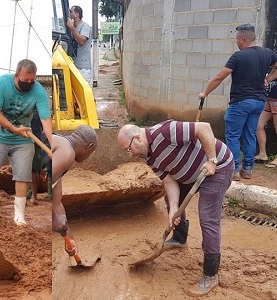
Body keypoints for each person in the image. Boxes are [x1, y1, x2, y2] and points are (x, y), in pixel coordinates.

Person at [117, 120, 234, 296]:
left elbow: (204, 127)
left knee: (208, 218)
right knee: (171, 198)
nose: (130, 154)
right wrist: (173, 209)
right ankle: (180, 238)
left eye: (128, 149)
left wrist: (212, 160)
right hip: (192, 175)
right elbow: (169, 181)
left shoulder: (165, 132)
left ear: (137, 138)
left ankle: (211, 275)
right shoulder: (149, 157)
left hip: (218, 168)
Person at [0, 59, 52, 226]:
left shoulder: (38, 91)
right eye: (26, 80)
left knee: (23, 176)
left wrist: (52, 144)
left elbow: (45, 119)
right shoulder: (2, 82)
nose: (30, 84)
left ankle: (19, 215)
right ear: (17, 75)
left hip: (23, 138)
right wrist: (13, 128)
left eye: (33, 80)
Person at [198, 24, 277, 180]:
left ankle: (233, 170)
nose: (236, 42)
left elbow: (220, 77)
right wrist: (266, 79)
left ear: (242, 39)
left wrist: (205, 93)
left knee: (233, 136)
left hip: (241, 102)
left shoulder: (238, 56)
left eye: (236, 39)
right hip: (259, 102)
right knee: (249, 134)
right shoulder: (267, 53)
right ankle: (247, 170)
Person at [52, 125, 98, 257]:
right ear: (89, 147)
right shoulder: (67, 154)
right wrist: (55, 218)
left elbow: (56, 203)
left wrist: (69, 239)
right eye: (91, 152)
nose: (88, 156)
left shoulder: (60, 144)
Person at [27, 111, 51, 204]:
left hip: (27, 140)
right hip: (37, 141)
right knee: (34, 170)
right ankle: (33, 196)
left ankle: (27, 196)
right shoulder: (41, 111)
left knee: (27, 170)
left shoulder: (24, 108)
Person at [254, 79, 277, 168]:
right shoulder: (269, 69)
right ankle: (262, 154)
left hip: (276, 99)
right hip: (268, 99)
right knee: (259, 125)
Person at [67, 5, 92, 85]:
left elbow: (81, 42)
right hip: (74, 65)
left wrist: (72, 28)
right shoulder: (73, 27)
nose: (69, 14)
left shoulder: (85, 26)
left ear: (77, 14)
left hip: (83, 67)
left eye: (71, 12)